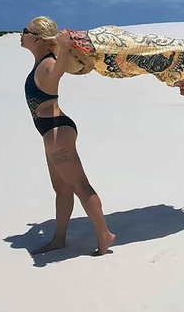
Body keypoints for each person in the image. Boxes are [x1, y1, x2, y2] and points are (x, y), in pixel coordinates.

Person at [21, 16, 116, 255]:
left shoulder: (48, 64)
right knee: (61, 188)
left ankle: (105, 235)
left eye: (25, 31)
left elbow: (56, 74)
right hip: (51, 131)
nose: (20, 34)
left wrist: (63, 48)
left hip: (57, 132)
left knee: (80, 186)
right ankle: (59, 239)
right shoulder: (41, 61)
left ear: (38, 39)